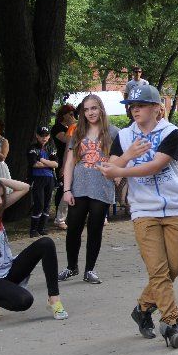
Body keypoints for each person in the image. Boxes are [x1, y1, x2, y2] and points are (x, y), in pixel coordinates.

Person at [98, 84, 178, 349]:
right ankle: (172, 324)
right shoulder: (125, 137)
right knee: (158, 271)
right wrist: (127, 157)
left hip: (173, 208)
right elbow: (108, 167)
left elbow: (153, 166)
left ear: (156, 108)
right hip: (142, 211)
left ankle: (142, 308)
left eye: (139, 106)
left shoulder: (171, 133)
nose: (134, 110)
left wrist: (119, 171)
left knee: (173, 268)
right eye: (131, 107)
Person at [0, 173, 68, 325]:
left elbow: (24, 188)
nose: (0, 201)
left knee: (46, 243)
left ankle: (54, 300)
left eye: (2, 196)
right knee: (25, 300)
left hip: (9, 268)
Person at [58, 94, 119, 285]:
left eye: (94, 108)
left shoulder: (113, 132)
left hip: (102, 186)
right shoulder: (77, 132)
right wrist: (67, 190)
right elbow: (69, 163)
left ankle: (89, 269)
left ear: (101, 109)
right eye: (86, 109)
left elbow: (122, 158)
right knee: (73, 227)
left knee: (95, 229)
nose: (90, 112)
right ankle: (71, 266)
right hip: (79, 185)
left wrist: (119, 174)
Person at [26, 127, 58, 238]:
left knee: (47, 204)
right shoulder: (33, 148)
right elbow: (34, 164)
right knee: (39, 204)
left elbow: (56, 164)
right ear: (37, 136)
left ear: (49, 136)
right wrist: (49, 164)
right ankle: (33, 229)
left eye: (46, 135)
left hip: (50, 179)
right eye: (41, 135)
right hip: (37, 178)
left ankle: (42, 228)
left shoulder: (51, 148)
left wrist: (43, 161)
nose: (44, 138)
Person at [51, 104, 76, 230]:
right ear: (64, 115)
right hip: (62, 159)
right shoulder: (57, 127)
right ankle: (59, 217)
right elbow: (67, 140)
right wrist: (72, 125)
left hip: (74, 159)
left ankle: (68, 216)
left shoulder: (72, 126)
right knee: (63, 187)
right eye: (70, 114)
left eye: (73, 114)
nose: (72, 116)